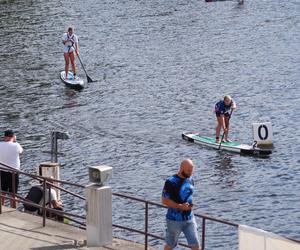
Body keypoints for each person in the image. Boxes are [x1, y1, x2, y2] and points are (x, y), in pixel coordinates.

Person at [162, 159, 200, 250]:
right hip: (174, 220)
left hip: (189, 218)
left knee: (196, 245)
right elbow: (164, 200)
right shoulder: (171, 182)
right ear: (181, 169)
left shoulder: (190, 179)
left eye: (192, 171)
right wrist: (180, 206)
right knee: (170, 245)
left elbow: (189, 194)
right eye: (188, 171)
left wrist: (190, 204)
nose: (190, 173)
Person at [0, 129, 23, 208]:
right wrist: (15, 141)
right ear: (13, 136)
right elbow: (21, 152)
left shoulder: (0, 145)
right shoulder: (16, 145)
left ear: (4, 137)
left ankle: (1, 208)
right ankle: (13, 210)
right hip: (14, 172)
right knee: (13, 193)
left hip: (2, 171)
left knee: (3, 192)